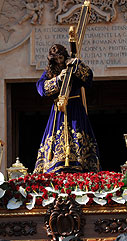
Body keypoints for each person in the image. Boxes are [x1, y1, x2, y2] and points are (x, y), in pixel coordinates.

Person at [34, 43, 100, 173]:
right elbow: (41, 88)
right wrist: (58, 79)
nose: (59, 61)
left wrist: (77, 65)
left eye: (61, 57)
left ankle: (80, 161)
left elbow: (88, 79)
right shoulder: (50, 72)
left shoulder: (73, 65)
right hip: (58, 110)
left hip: (75, 108)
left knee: (78, 134)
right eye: (56, 59)